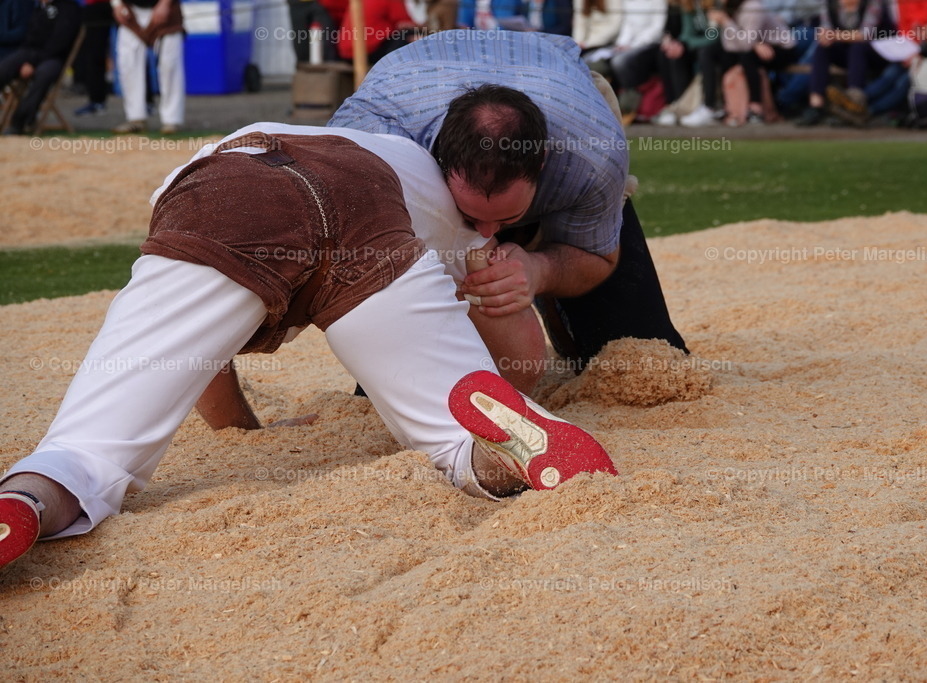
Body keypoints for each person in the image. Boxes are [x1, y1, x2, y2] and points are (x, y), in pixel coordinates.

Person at [0, 123, 618, 571]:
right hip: (364, 202)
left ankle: (28, 499)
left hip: (227, 192)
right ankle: (489, 453)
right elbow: (521, 352)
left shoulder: (199, 174)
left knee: (87, 448)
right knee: (451, 434)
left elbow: (201, 356)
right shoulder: (425, 185)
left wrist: (241, 428)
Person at [328, 30, 691, 372]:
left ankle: (554, 293)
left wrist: (539, 270)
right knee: (408, 367)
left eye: (507, 217)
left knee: (641, 359)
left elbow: (598, 255)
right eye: (470, 216)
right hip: (407, 101)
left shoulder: (593, 155)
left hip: (563, 82)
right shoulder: (369, 146)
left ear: (544, 161)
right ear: (437, 163)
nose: (488, 233)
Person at [681, 0, 799, 126]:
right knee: (710, 52)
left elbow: (745, 44)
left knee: (747, 57)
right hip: (755, 46)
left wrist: (726, 22)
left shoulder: (753, 7)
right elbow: (730, 46)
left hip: (780, 47)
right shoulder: (729, 9)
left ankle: (756, 109)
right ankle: (713, 107)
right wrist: (753, 44)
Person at [796, 0, 892, 126]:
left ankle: (854, 100)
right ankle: (816, 104)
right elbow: (824, 31)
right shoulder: (830, 4)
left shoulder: (873, 3)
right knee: (821, 49)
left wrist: (834, 36)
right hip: (846, 52)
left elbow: (864, 35)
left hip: (877, 52)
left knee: (857, 47)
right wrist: (826, 37)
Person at [0, 0, 81, 135]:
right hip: (29, 53)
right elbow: (29, 36)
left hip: (53, 57)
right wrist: (25, 61)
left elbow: (60, 42)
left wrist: (33, 63)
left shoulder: (68, 9)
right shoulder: (40, 8)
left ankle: (19, 122)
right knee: (4, 68)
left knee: (44, 74)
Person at [110, 0, 184, 134]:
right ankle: (135, 118)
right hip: (130, 9)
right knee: (128, 64)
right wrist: (116, 4)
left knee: (169, 65)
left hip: (165, 9)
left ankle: (171, 120)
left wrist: (165, 3)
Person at [72, 0, 113, 116]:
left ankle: (145, 101)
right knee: (93, 55)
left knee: (135, 49)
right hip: (93, 6)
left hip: (121, 5)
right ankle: (97, 101)